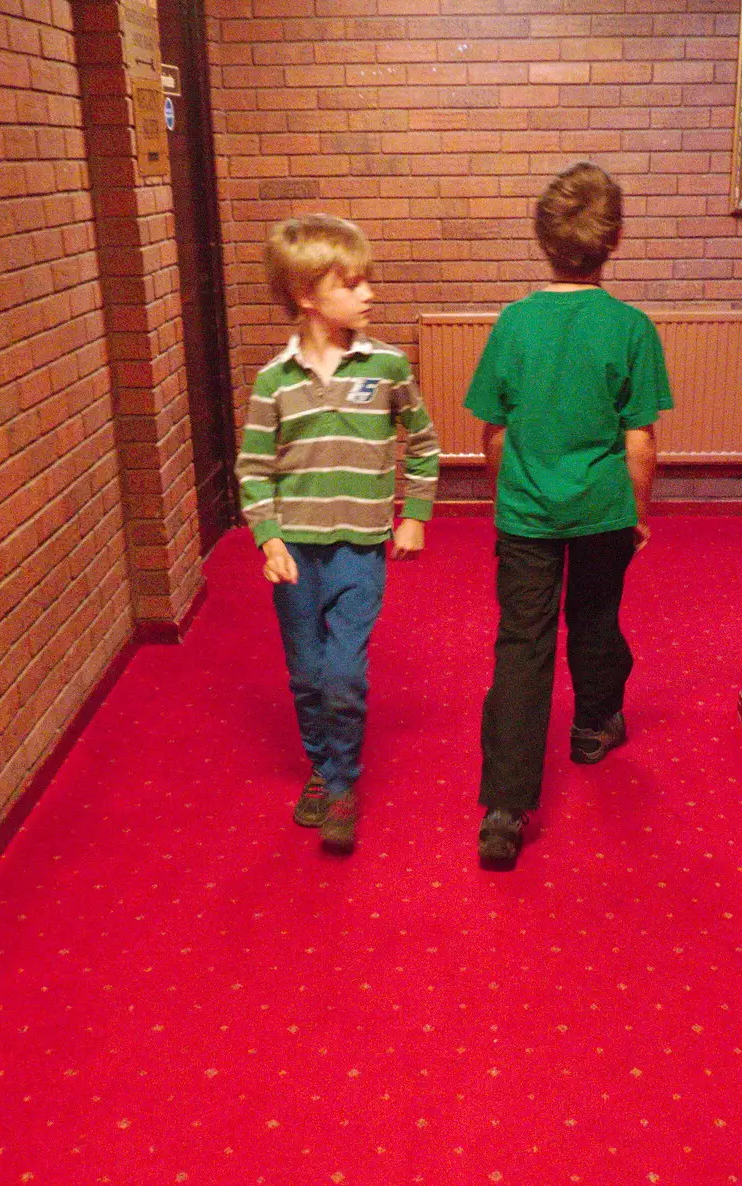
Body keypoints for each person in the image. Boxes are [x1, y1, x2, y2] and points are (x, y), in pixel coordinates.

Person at [466, 162, 672, 868]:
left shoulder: (514, 324)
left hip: (525, 517)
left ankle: (503, 807)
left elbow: (492, 433)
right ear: (614, 240)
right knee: (595, 617)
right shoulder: (631, 328)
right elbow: (638, 439)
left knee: (521, 646)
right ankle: (591, 725)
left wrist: (508, 500)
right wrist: (638, 511)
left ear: (542, 237)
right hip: (602, 511)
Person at [236, 213, 440, 853]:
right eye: (351, 284)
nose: (368, 294)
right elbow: (254, 468)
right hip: (294, 553)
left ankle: (341, 782)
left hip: (359, 548)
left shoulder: (387, 366)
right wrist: (268, 538)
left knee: (343, 672)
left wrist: (414, 515)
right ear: (306, 297)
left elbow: (424, 446)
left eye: (366, 281)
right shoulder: (274, 381)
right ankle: (323, 765)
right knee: (305, 674)